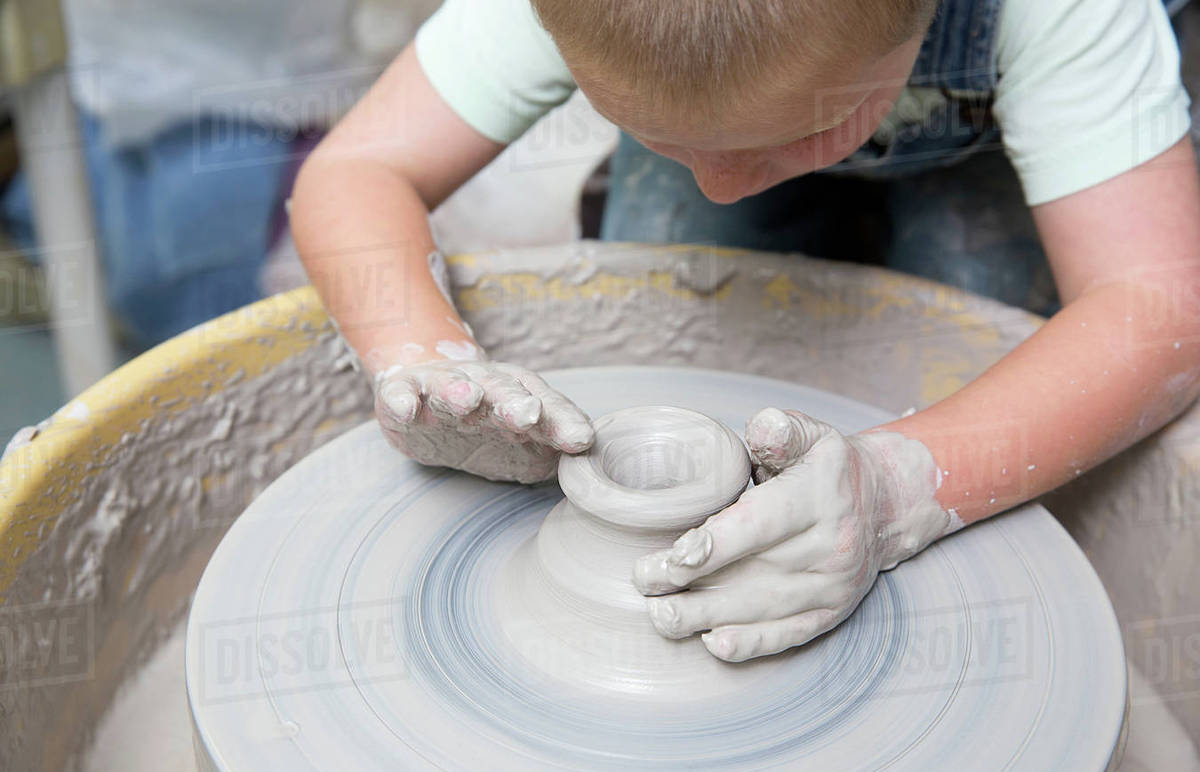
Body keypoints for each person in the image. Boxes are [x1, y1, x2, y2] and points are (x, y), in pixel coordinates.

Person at [290, 0, 1200, 662]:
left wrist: (895, 491)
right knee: (675, 283)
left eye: (811, 130)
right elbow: (359, 169)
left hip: (1007, 135)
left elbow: (1161, 301)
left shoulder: (1065, 11)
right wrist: (421, 355)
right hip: (736, 93)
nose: (724, 182)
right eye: (629, 119)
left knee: (986, 314)